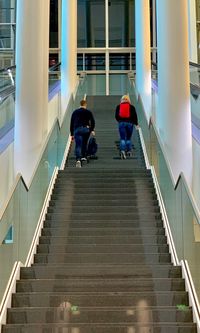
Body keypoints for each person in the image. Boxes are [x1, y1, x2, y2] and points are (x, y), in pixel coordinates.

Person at [70, 99, 95, 167]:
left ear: (80, 104)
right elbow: (92, 121)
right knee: (84, 143)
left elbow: (72, 123)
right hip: (85, 129)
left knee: (78, 145)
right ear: (85, 105)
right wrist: (92, 129)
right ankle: (83, 156)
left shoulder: (75, 112)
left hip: (77, 129)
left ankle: (78, 159)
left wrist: (72, 134)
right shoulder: (88, 112)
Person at [115, 95, 138, 159]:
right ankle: (129, 151)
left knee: (122, 138)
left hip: (122, 123)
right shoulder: (132, 107)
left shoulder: (119, 106)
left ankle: (122, 150)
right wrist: (136, 123)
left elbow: (116, 116)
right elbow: (134, 116)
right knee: (128, 138)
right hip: (130, 124)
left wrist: (120, 121)